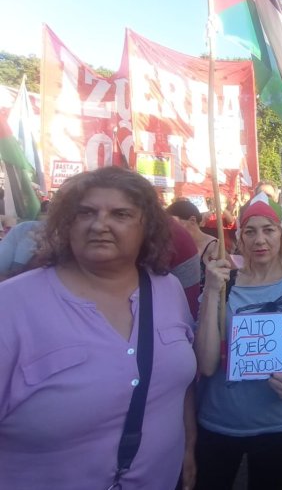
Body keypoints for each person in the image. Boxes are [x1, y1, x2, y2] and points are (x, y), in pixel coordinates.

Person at [0, 166, 197, 490]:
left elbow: (181, 381)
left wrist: (188, 447)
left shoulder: (168, 289)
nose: (100, 224)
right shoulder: (11, 306)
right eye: (85, 212)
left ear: (145, 226)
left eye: (120, 214)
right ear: (66, 222)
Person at [193, 194, 282, 489]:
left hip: (277, 425)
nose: (259, 239)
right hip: (219, 422)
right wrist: (211, 292)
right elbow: (207, 365)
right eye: (250, 231)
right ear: (240, 238)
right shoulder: (222, 286)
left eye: (268, 229)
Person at [166, 200, 219, 288]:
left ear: (192, 220)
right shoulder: (176, 247)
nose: (171, 228)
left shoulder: (215, 246)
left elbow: (233, 275)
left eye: (174, 223)